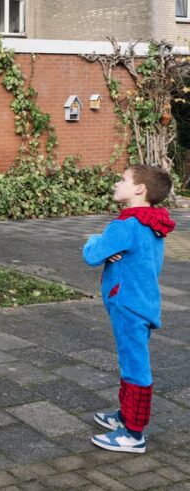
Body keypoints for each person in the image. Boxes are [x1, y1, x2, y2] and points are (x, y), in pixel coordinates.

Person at [83, 165, 175, 453]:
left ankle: (133, 434)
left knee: (135, 367)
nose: (116, 184)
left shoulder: (126, 226)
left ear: (139, 189)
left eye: (123, 180)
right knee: (130, 360)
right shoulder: (153, 222)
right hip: (144, 302)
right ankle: (124, 415)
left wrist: (94, 239)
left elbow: (92, 255)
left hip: (127, 305)